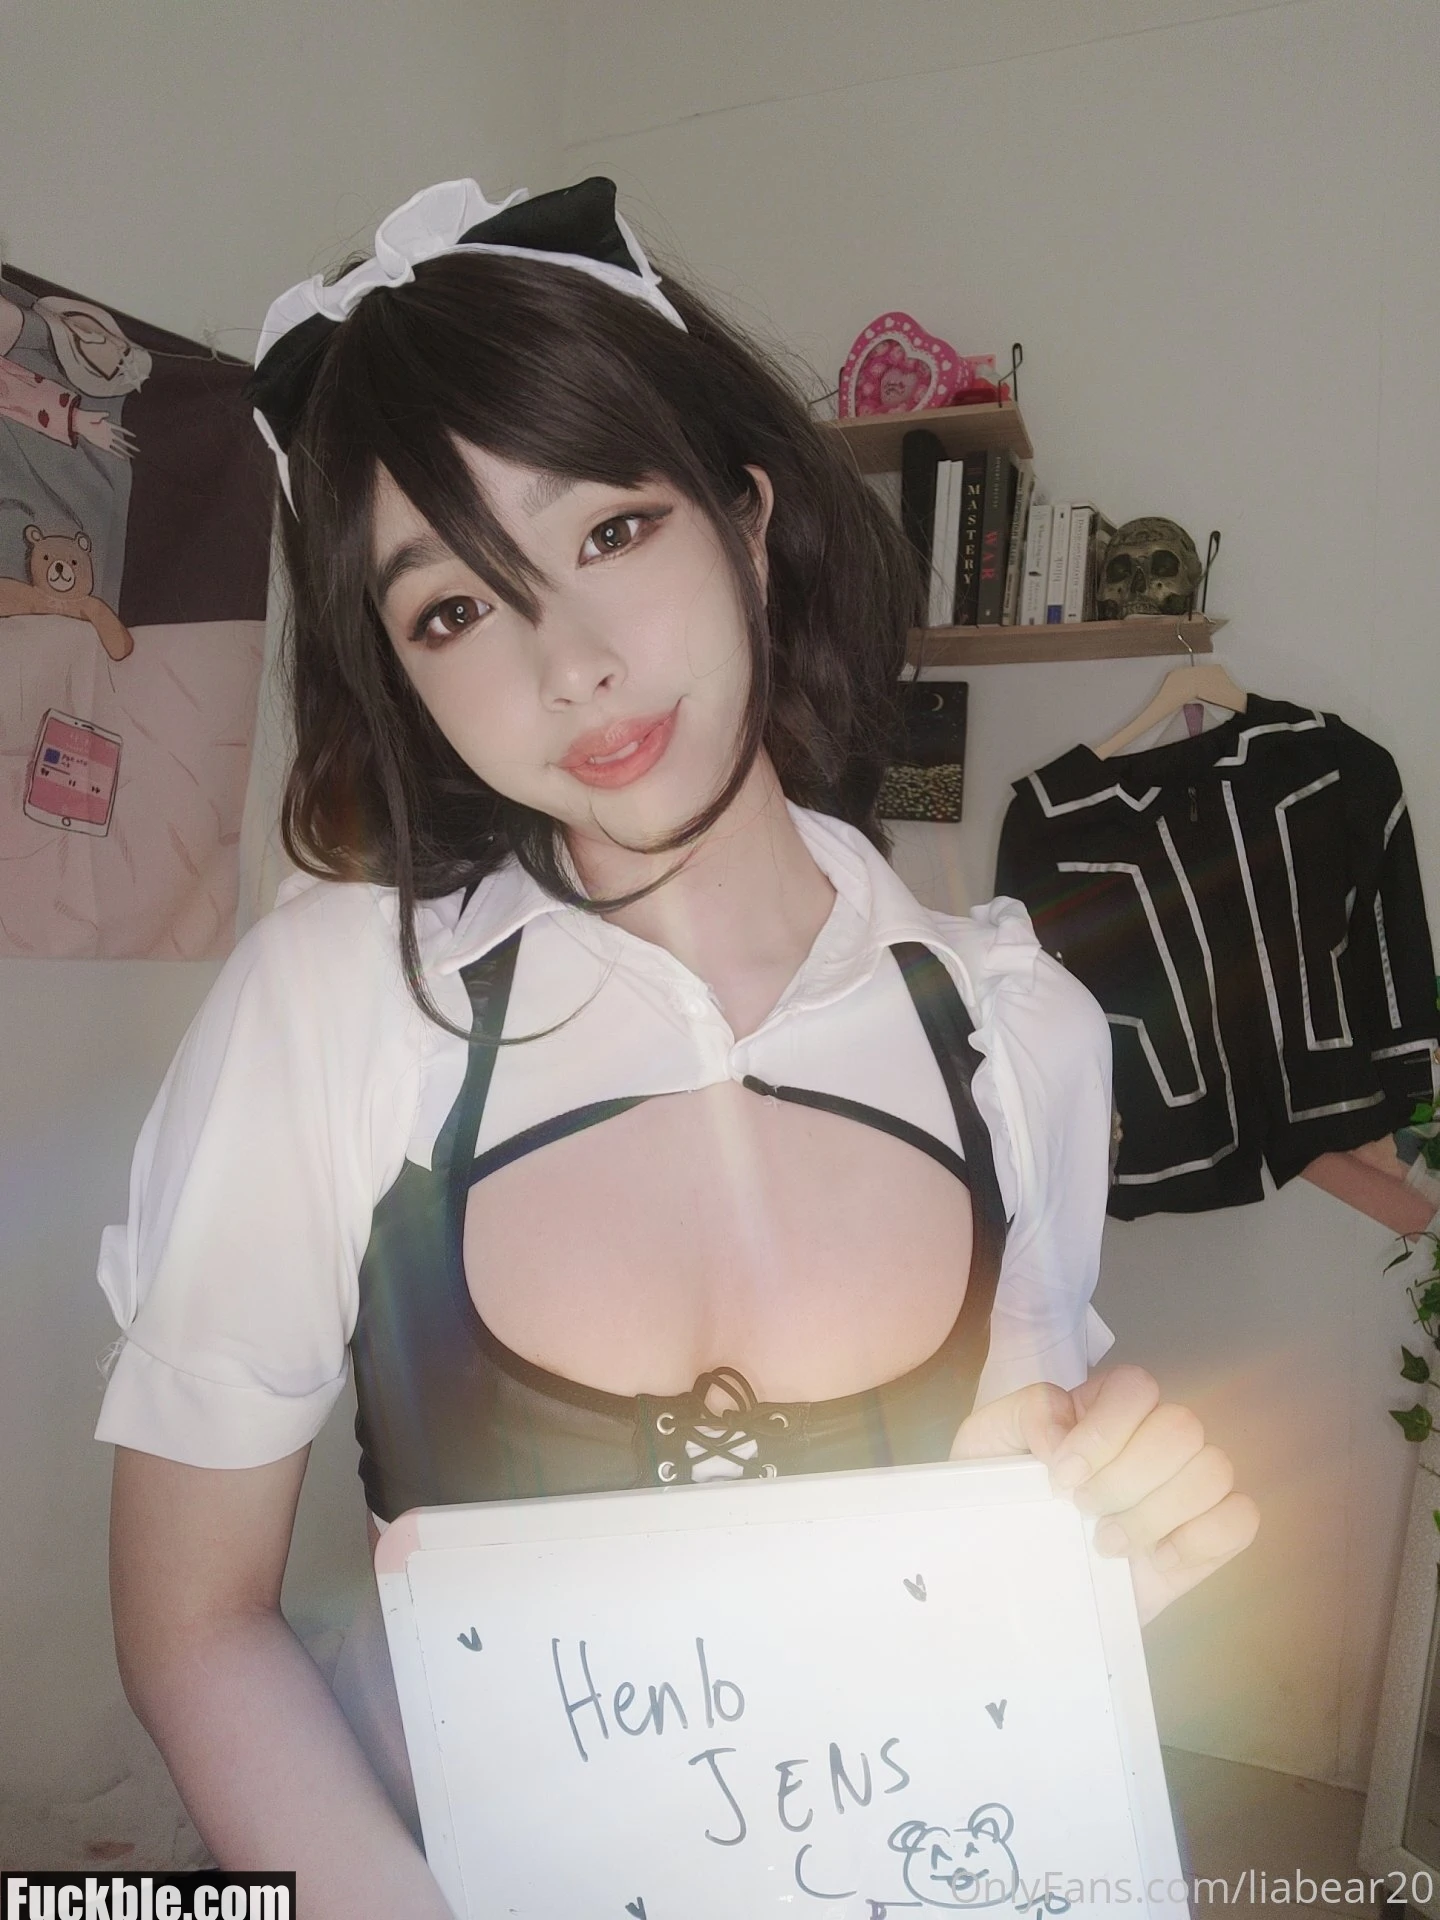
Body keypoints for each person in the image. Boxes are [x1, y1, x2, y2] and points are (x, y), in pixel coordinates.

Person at [94, 175, 1257, 1917]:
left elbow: (976, 1629)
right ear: (400, 679)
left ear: (748, 520)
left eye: (613, 533)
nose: (570, 665)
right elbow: (196, 1628)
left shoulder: (1016, 1035)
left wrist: (1101, 1544)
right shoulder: (340, 1008)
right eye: (452, 610)